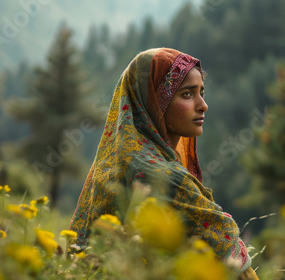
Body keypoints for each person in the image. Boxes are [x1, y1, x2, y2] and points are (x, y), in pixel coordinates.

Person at [69, 48, 259, 279]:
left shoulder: (125, 160)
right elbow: (230, 261)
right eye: (187, 95)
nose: (202, 105)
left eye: (202, 93)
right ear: (155, 102)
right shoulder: (164, 176)